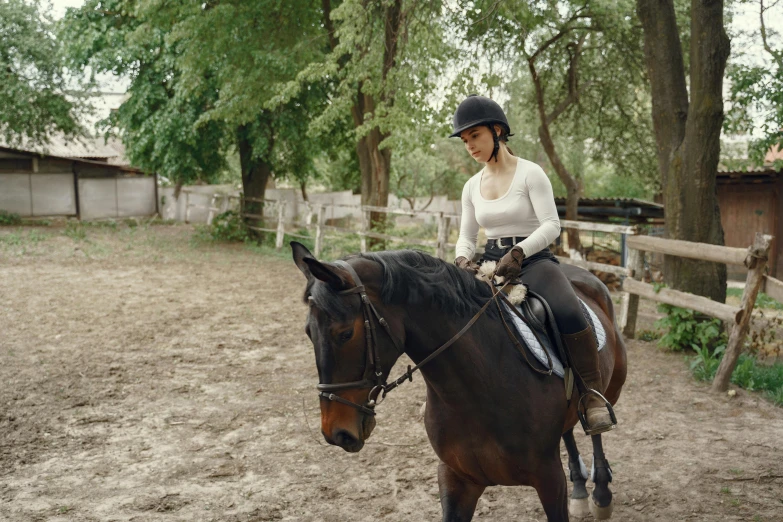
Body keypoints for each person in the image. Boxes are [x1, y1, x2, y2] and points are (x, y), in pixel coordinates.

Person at [451, 94, 615, 435]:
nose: (470, 146)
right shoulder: (471, 186)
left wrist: (520, 253)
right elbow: (466, 236)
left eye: (475, 136)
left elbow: (551, 225)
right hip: (491, 262)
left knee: (568, 308)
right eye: (465, 140)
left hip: (534, 260)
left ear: (497, 131)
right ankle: (456, 397)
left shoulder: (530, 173)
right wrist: (462, 259)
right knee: (455, 316)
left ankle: (592, 396)